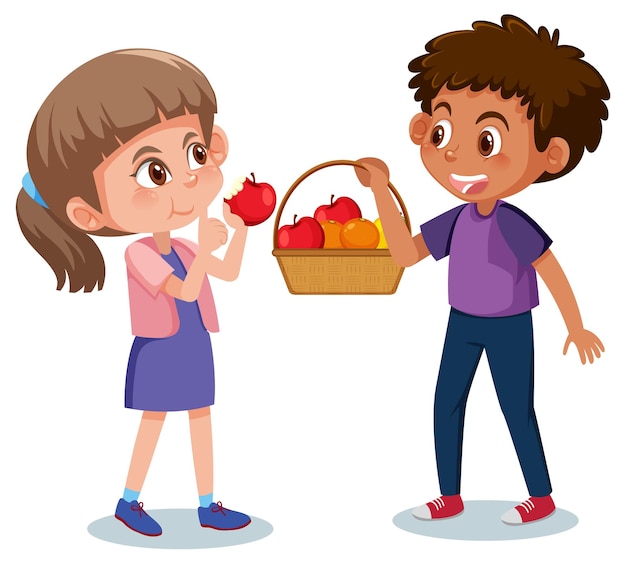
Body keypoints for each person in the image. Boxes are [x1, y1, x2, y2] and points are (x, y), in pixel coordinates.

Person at [355, 15, 609, 525]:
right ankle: (449, 495)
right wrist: (381, 190)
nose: (452, 151)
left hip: (511, 326)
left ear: (550, 154)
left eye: (487, 139)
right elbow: (403, 253)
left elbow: (551, 269)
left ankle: (540, 497)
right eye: (443, 128)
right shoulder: (456, 219)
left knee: (516, 409)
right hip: (462, 323)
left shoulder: (514, 223)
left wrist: (575, 325)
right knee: (445, 403)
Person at [17, 49, 253, 536]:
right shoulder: (138, 254)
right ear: (90, 215)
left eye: (195, 153)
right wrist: (206, 252)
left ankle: (208, 504)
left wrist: (240, 226)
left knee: (201, 420)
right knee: (153, 424)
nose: (189, 178)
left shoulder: (188, 246)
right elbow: (186, 292)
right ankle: (129, 501)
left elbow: (226, 273)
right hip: (160, 349)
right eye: (154, 172)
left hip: (194, 343)